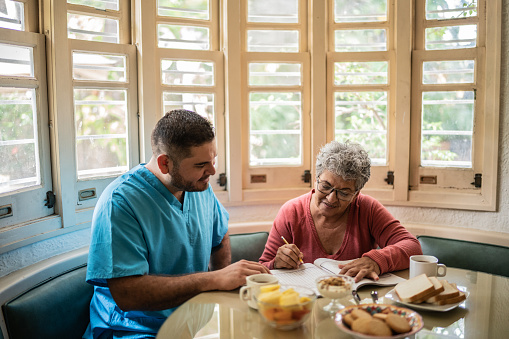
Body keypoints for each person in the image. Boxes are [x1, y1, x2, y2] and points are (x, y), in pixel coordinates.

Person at [84, 109, 269, 338]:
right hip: (134, 331)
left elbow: (219, 236)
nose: (212, 171)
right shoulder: (120, 203)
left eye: (213, 160)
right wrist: (214, 279)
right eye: (201, 164)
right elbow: (127, 294)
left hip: (194, 325)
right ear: (165, 164)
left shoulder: (199, 186)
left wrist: (225, 284)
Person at [259, 141, 422, 282]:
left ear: (356, 194)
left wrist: (376, 261)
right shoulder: (291, 212)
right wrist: (276, 263)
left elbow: (412, 247)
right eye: (325, 186)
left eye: (344, 193)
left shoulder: (367, 208)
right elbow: (262, 267)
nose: (331, 199)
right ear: (315, 180)